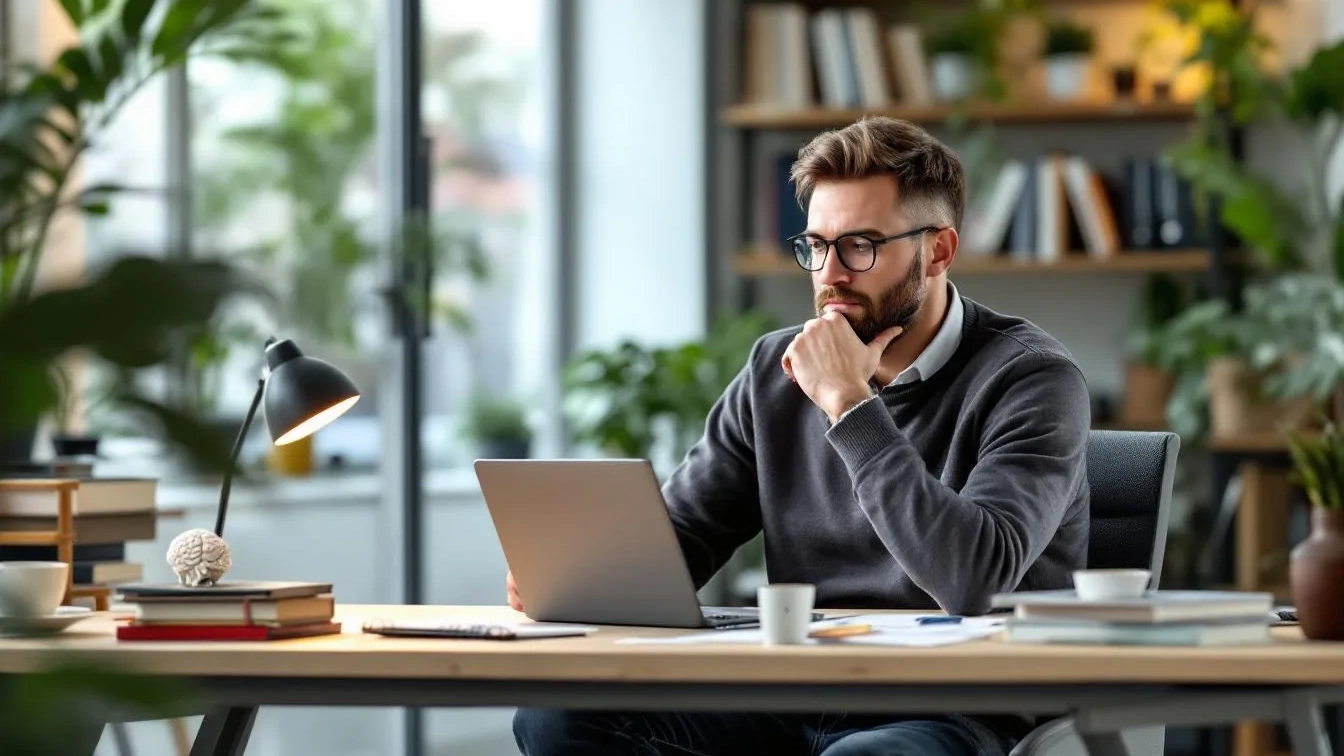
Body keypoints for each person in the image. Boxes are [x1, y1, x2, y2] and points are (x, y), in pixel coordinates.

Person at [508, 115, 1091, 756]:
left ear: (940, 250)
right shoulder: (772, 369)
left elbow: (976, 579)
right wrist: (584, 576)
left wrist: (849, 405)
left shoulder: (1032, 378)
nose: (829, 274)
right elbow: (686, 537)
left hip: (953, 706)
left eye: (860, 246)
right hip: (791, 693)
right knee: (557, 716)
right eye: (816, 246)